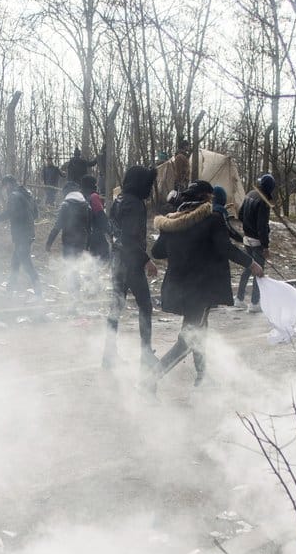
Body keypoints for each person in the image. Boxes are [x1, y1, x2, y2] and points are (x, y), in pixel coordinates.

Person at [147, 180, 262, 389]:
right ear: (207, 198)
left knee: (199, 332)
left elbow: (157, 252)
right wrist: (251, 263)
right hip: (200, 289)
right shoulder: (212, 219)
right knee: (189, 339)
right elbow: (225, 248)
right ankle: (150, 380)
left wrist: (180, 243)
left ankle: (202, 377)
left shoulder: (173, 221)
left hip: (179, 288)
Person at [103, 165, 158, 370]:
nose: (150, 188)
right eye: (148, 184)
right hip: (131, 263)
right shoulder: (135, 204)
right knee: (145, 306)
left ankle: (108, 355)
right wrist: (146, 259)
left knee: (116, 307)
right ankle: (145, 354)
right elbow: (128, 237)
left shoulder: (118, 200)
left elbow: (112, 232)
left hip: (117, 261)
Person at [0, 175, 40, 297]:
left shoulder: (14, 196)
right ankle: (10, 289)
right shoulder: (29, 194)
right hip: (28, 233)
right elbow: (36, 214)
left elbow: (9, 213)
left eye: (5, 186)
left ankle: (39, 294)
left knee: (27, 264)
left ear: (9, 184)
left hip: (21, 235)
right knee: (15, 262)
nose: (5, 189)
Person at [236, 174, 276, 312]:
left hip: (247, 238)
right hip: (257, 241)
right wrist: (265, 246)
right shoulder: (263, 202)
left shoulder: (250, 194)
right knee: (258, 271)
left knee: (248, 267)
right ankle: (254, 303)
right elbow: (262, 226)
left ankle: (239, 298)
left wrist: (248, 226)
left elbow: (240, 214)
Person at [45, 187, 91, 304]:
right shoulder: (85, 205)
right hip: (81, 242)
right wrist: (88, 244)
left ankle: (73, 298)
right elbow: (89, 226)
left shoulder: (65, 205)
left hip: (69, 242)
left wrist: (49, 243)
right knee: (76, 267)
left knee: (71, 268)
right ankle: (77, 294)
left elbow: (57, 226)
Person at [80, 175, 110, 261]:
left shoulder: (80, 197)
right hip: (96, 235)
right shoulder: (93, 197)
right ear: (92, 185)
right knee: (103, 260)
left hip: (83, 237)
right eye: (95, 184)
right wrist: (110, 231)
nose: (97, 186)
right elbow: (101, 216)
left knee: (90, 263)